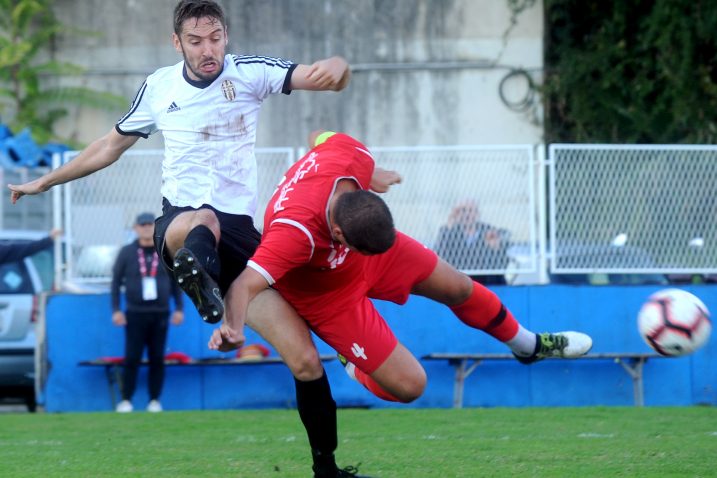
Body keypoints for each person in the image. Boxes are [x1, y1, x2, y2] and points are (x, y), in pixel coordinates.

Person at [8, 2, 360, 476]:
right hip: (180, 226)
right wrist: (45, 181)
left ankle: (326, 468)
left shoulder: (251, 73)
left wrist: (336, 68)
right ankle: (203, 286)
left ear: (225, 35)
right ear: (178, 43)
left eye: (215, 37)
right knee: (202, 221)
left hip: (240, 238)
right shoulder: (159, 87)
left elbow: (318, 75)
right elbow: (109, 146)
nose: (208, 49)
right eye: (196, 41)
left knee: (304, 361)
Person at [209, 130, 593, 407]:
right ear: (339, 233)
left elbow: (319, 137)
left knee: (458, 286)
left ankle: (527, 346)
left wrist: (372, 173)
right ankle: (352, 362)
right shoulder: (293, 234)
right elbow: (244, 285)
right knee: (410, 387)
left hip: (367, 252)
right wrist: (232, 328)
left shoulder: (352, 158)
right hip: (326, 296)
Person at [111, 212, 184, 413]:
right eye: (141, 224)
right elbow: (116, 283)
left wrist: (178, 308)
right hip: (135, 312)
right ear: (135, 228)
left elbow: (176, 281)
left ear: (155, 227)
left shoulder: (164, 251)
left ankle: (154, 400)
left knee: (157, 358)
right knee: (132, 357)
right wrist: (116, 310)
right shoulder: (126, 252)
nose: (145, 228)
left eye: (149, 224)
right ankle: (126, 399)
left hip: (160, 312)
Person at [435, 200, 510, 285]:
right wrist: (450, 225)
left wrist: (496, 248)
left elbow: (503, 263)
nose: (467, 214)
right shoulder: (449, 231)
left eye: (470, 210)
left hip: (485, 280)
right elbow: (439, 255)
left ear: (477, 213)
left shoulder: (489, 231)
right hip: (458, 279)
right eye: (462, 211)